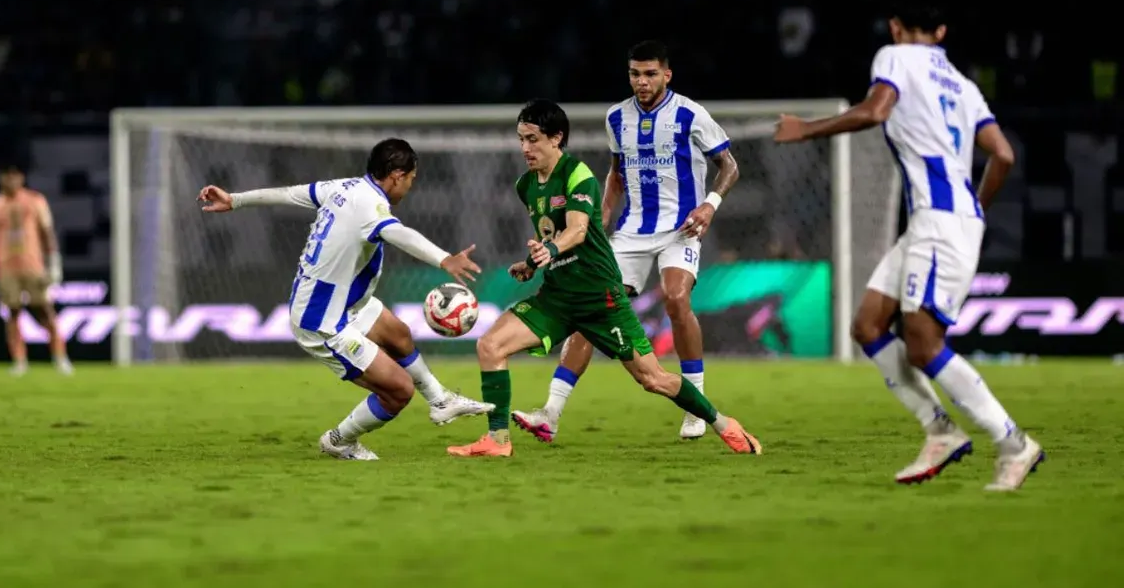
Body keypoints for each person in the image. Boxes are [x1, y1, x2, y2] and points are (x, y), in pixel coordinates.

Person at [772, 0, 1044, 491]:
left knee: (923, 343)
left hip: (940, 223)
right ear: (941, 31)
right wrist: (977, 206)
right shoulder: (964, 85)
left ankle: (1012, 442)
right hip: (941, 219)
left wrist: (806, 130)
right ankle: (939, 431)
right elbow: (1002, 155)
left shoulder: (893, 55)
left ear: (896, 26)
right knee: (868, 325)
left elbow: (877, 111)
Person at [446, 99, 761, 458]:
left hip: (600, 298)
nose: (525, 149)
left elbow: (578, 230)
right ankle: (497, 441)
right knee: (490, 347)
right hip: (558, 297)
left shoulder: (577, 175)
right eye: (521, 139)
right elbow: (552, 234)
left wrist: (549, 251)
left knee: (652, 378)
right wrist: (533, 264)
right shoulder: (525, 185)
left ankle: (724, 424)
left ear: (556, 138)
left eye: (533, 139)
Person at [198, 138, 493, 461]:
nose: (410, 185)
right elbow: (400, 234)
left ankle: (441, 401)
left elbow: (288, 193)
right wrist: (444, 259)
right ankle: (339, 440)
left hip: (348, 305)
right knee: (399, 391)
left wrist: (236, 200)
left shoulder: (344, 187)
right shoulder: (370, 208)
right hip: (321, 321)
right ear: (396, 175)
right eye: (410, 178)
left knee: (399, 335)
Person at [511, 40, 741, 443]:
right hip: (632, 231)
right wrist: (601, 215)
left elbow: (730, 166)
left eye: (650, 73)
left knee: (675, 297)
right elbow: (617, 173)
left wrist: (710, 205)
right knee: (590, 307)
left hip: (680, 227)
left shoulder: (690, 114)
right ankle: (551, 412)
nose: (642, 81)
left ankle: (695, 405)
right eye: (635, 74)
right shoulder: (616, 117)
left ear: (667, 74)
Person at [0, 163, 73, 376]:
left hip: (33, 265)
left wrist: (54, 262)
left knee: (45, 311)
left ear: (21, 178)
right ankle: (19, 361)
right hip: (6, 267)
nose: (10, 180)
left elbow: (47, 232)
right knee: (12, 313)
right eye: (6, 176)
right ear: (0, 178)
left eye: (14, 176)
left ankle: (60, 357)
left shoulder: (34, 201)